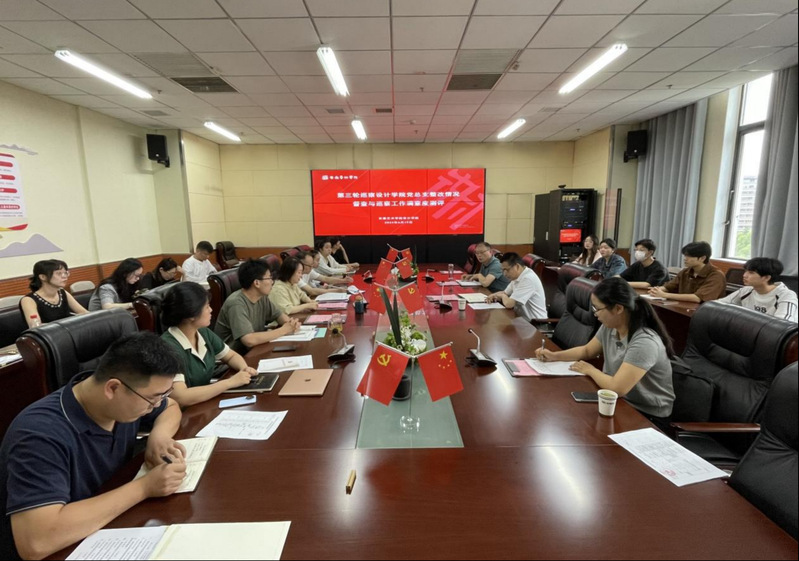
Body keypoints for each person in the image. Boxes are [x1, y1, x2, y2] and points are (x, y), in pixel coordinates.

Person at [0, 332, 187, 560]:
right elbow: (36, 541)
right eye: (153, 399)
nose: (155, 405)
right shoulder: (39, 433)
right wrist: (145, 487)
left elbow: (171, 407)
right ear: (112, 388)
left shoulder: (123, 401)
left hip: (104, 525)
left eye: (162, 395)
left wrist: (159, 436)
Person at [535, 277, 675, 425]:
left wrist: (590, 370)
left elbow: (617, 388)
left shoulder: (644, 342)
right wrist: (554, 356)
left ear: (618, 309)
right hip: (618, 401)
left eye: (598, 309)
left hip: (647, 415)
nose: (595, 314)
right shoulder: (611, 326)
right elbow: (587, 350)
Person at [160, 283, 257, 407]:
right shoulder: (168, 347)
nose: (211, 310)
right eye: (207, 307)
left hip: (205, 403)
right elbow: (181, 397)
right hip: (185, 411)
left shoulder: (203, 332)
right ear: (191, 315)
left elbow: (231, 356)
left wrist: (244, 369)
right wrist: (230, 383)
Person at [213, 259, 302, 354]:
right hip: (233, 356)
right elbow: (248, 340)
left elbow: (279, 315)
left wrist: (291, 324)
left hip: (253, 350)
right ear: (257, 283)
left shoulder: (261, 297)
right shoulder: (236, 303)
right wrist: (283, 330)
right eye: (269, 278)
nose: (272, 282)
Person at [719, 258, 797, 322]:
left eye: (751, 273)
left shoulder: (786, 296)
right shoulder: (746, 291)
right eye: (745, 271)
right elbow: (718, 305)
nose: (744, 275)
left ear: (766, 277)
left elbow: (783, 325)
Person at [649, 241, 726, 303]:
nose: (685, 259)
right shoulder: (685, 272)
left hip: (703, 313)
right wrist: (657, 290)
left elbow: (697, 298)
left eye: (689, 256)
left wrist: (664, 295)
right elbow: (669, 287)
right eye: (685, 255)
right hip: (683, 307)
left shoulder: (716, 275)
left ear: (702, 258)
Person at [18, 259, 88, 327]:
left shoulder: (62, 293)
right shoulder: (28, 300)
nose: (64, 276)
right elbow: (36, 326)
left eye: (65, 273)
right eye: (59, 273)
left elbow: (84, 313)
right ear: (43, 277)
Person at [486, 252, 547, 322]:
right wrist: (493, 295)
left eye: (506, 270)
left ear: (517, 266)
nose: (504, 274)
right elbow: (505, 293)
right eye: (502, 270)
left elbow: (509, 304)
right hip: (521, 320)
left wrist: (502, 296)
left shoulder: (528, 279)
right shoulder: (517, 276)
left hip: (536, 323)